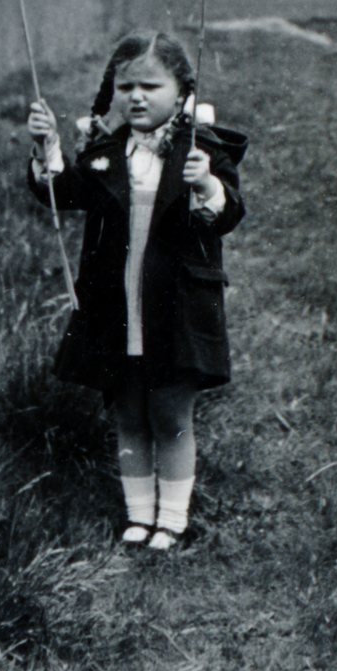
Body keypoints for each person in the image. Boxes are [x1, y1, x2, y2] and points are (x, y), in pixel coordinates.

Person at [26, 31, 246, 550]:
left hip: (177, 308)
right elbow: (63, 192)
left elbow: (228, 214)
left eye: (151, 85)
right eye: (125, 86)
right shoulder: (106, 150)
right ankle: (137, 515)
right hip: (115, 304)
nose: (136, 97)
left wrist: (207, 184)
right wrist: (47, 149)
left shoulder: (203, 149)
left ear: (182, 91)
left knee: (170, 411)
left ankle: (171, 519)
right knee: (127, 410)